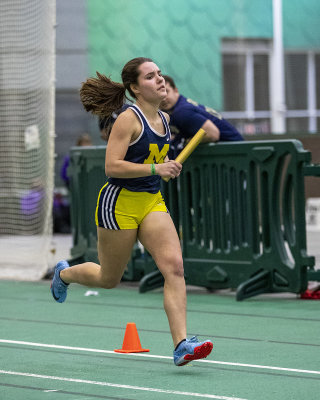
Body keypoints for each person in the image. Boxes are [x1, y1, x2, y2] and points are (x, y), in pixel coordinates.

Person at [50, 57, 213, 366]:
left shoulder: (164, 119)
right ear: (136, 88)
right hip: (119, 203)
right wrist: (157, 166)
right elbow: (112, 166)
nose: (160, 79)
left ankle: (181, 344)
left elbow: (155, 163)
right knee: (109, 278)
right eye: (151, 77)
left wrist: (165, 168)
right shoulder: (128, 118)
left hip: (151, 201)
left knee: (175, 268)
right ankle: (65, 273)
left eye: (160, 74)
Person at [160, 75, 243, 158]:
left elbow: (213, 134)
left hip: (236, 152)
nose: (163, 98)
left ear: (176, 91)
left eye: (166, 91)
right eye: (159, 94)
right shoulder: (176, 108)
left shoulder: (182, 112)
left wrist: (186, 142)